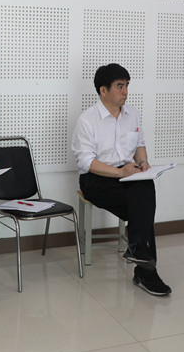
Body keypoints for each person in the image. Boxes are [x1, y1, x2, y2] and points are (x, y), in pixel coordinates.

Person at [71, 63, 171, 296]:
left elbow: (139, 144)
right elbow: (86, 162)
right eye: (120, 86)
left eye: (126, 85)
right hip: (96, 178)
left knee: (144, 186)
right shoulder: (87, 120)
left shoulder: (132, 113)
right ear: (103, 90)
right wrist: (120, 173)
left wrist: (143, 163)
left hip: (126, 173)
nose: (125, 91)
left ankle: (139, 252)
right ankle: (146, 272)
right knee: (142, 206)